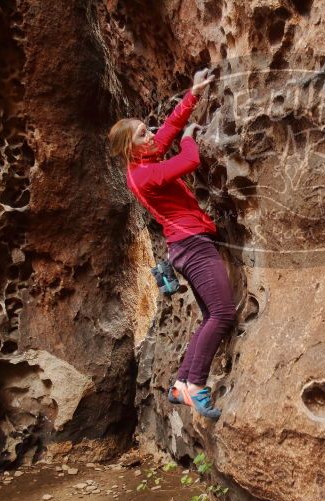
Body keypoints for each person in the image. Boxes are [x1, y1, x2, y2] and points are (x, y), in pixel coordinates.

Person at [107, 68, 234, 421]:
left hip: (183, 245)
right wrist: (190, 138)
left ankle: (180, 385)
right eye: (142, 133)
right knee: (223, 314)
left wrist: (193, 94)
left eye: (146, 129)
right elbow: (188, 159)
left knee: (211, 314)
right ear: (130, 147)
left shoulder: (142, 161)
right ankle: (195, 387)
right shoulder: (144, 175)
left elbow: (166, 132)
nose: (150, 134)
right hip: (192, 246)